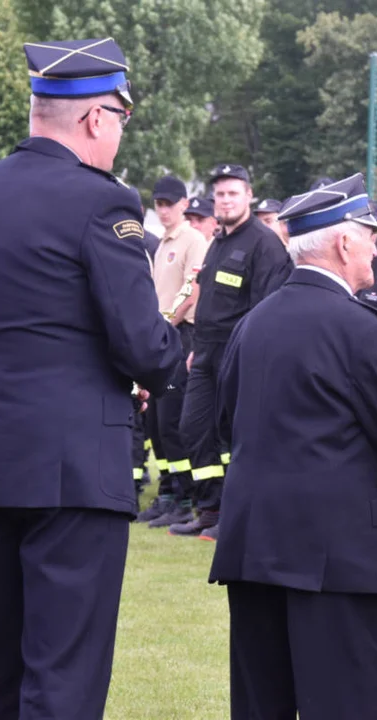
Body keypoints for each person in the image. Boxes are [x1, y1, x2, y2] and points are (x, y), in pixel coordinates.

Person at [0, 37, 181, 719]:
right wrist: (172, 357)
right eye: (121, 121)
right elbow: (142, 345)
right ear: (98, 118)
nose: (120, 137)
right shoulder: (103, 203)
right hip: (70, 468)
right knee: (62, 672)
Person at [208, 173, 377, 720]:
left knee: (261, 706)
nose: (376, 247)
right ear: (344, 242)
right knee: (348, 704)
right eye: (368, 235)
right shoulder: (360, 328)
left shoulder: (251, 324)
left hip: (254, 546)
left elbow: (223, 423)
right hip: (336, 555)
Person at [173, 163, 292, 540]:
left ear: (249, 196)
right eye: (220, 194)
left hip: (239, 355)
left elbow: (266, 310)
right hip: (205, 353)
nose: (225, 200)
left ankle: (239, 515)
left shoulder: (264, 243)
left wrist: (248, 356)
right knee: (194, 429)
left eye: (232, 193)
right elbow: (207, 298)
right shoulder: (218, 241)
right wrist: (199, 348)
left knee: (237, 437)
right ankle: (209, 509)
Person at [136, 175, 208, 528]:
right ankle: (167, 493)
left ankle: (183, 496)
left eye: (169, 204)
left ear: (184, 204)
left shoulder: (192, 239)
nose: (163, 211)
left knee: (171, 421)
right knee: (156, 422)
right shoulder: (163, 243)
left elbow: (192, 290)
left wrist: (166, 325)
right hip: (163, 335)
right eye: (159, 204)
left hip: (181, 336)